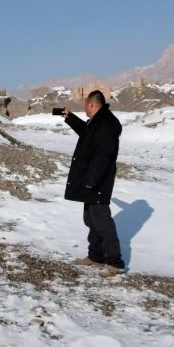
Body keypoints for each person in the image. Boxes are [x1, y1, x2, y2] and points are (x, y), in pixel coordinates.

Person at [62, 90, 125, 277]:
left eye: (85, 107)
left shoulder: (106, 125)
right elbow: (87, 133)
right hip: (91, 180)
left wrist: (91, 181)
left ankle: (115, 262)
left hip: (98, 182)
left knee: (103, 221)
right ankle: (96, 256)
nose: (85, 110)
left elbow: (103, 156)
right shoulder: (98, 121)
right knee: (91, 219)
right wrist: (70, 117)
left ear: (91, 105)